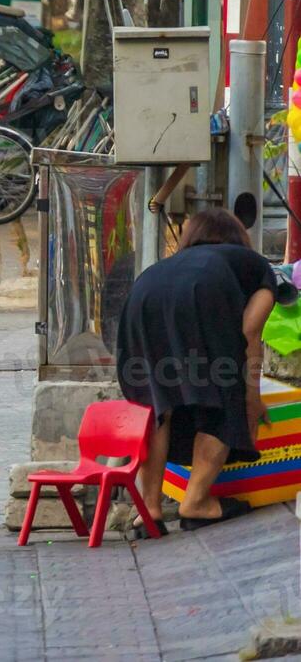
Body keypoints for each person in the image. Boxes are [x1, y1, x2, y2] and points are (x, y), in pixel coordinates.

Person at [118, 208, 294, 535]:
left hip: (142, 297)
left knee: (158, 404)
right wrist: (250, 401)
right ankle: (196, 502)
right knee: (224, 398)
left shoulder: (171, 263)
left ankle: (150, 510)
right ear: (239, 238)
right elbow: (250, 333)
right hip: (202, 296)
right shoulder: (255, 266)